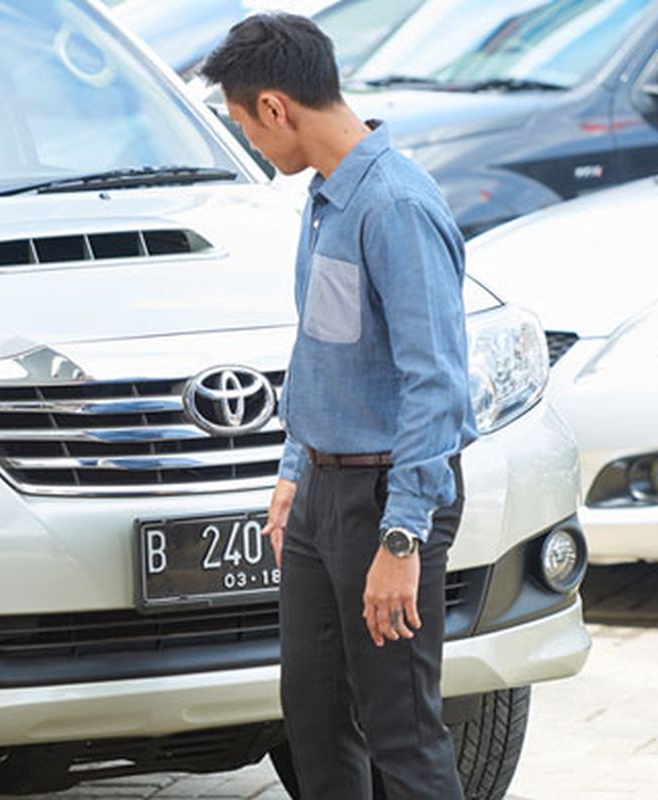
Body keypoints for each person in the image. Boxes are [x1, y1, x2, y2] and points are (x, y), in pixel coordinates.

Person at [202, 14, 477, 800]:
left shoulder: (394, 206)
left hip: (390, 497)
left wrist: (403, 536)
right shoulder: (329, 195)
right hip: (324, 493)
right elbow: (322, 342)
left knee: (402, 730)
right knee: (315, 721)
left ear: (276, 108)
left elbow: (437, 382)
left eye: (244, 124)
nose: (251, 142)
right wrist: (296, 465)